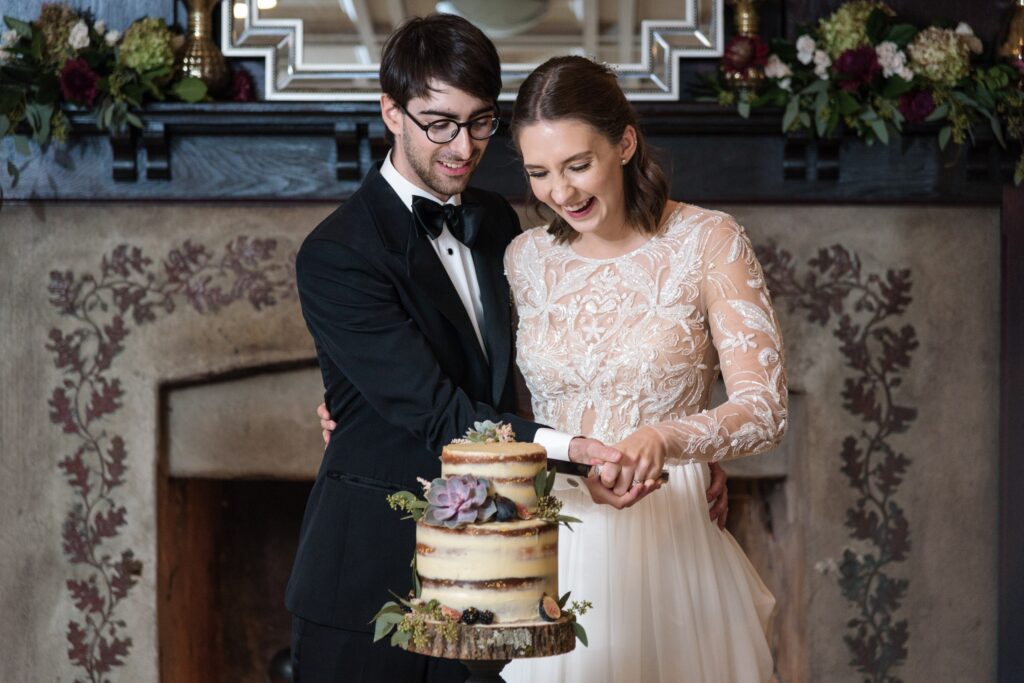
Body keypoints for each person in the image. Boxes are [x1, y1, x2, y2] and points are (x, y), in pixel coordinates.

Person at [290, 15, 728, 683]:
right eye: (439, 122)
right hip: (370, 578)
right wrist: (585, 453)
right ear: (391, 112)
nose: (463, 146)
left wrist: (679, 445)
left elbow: (578, 347)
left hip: (502, 571)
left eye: (480, 121)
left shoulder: (498, 222)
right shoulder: (336, 252)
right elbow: (437, 412)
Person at [498, 55, 787, 683]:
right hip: (559, 539)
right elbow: (482, 401)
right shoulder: (525, 258)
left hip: (674, 539)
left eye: (578, 165)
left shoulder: (708, 240)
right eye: (538, 173)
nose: (560, 193)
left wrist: (667, 438)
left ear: (625, 143)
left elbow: (764, 409)